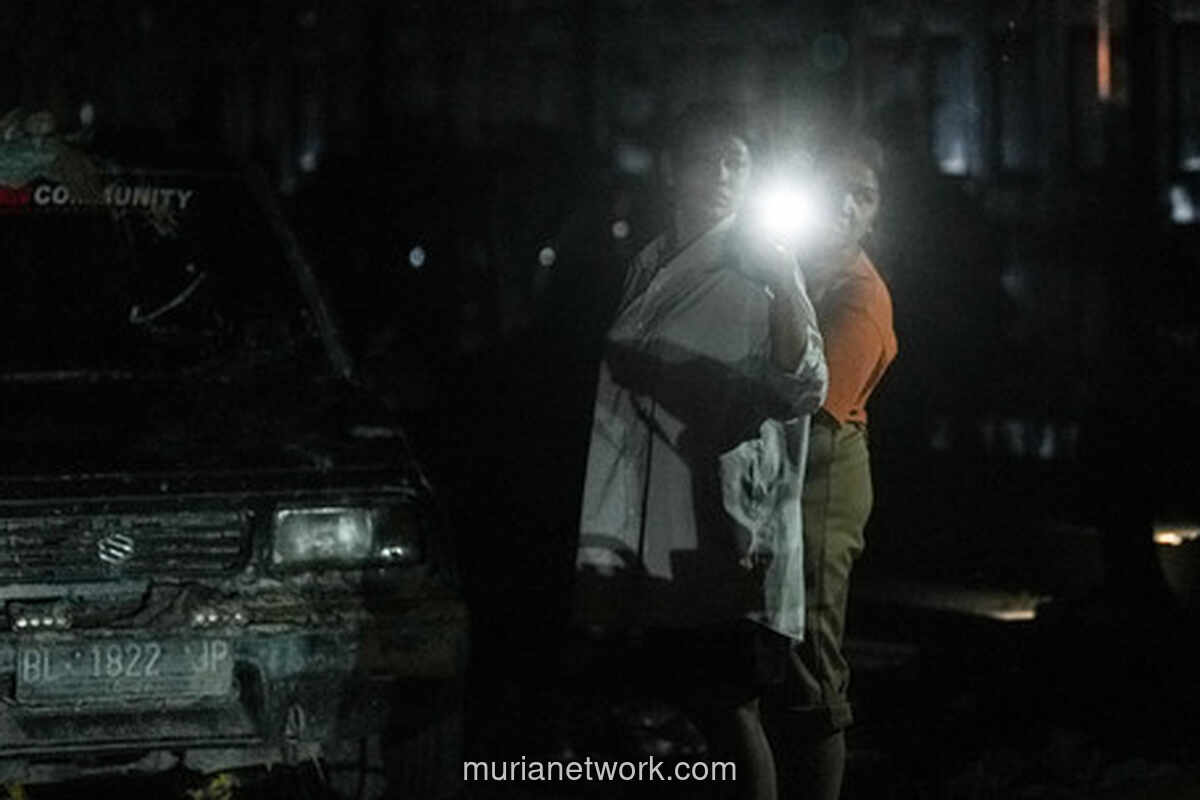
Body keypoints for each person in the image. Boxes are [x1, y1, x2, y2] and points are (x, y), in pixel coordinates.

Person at [573, 103, 827, 800]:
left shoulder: (763, 266)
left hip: (725, 525)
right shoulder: (651, 260)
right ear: (671, 170)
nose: (720, 174)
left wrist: (783, 288)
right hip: (647, 521)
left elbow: (804, 383)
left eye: (736, 161)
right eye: (705, 158)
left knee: (729, 704)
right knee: (677, 711)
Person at [764, 132, 898, 800]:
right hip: (785, 472)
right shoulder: (792, 268)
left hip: (822, 473)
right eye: (835, 188)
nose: (845, 205)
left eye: (863, 195)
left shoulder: (860, 297)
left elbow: (809, 403)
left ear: (874, 214)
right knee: (776, 651)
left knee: (810, 657)